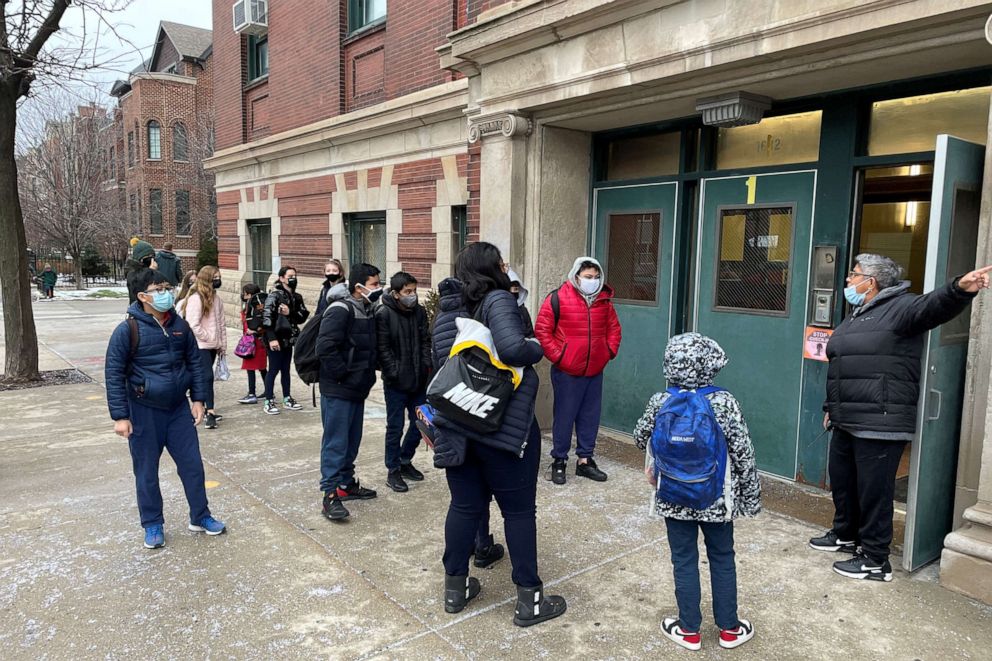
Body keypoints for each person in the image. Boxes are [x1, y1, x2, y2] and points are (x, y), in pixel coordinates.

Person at [811, 254, 992, 582]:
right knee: (844, 481)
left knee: (873, 491)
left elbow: (934, 306)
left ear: (872, 282)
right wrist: (829, 409)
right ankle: (845, 533)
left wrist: (959, 289)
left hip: (880, 420)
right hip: (846, 416)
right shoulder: (858, 314)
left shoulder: (902, 308)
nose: (848, 281)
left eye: (854, 275)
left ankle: (875, 559)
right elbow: (841, 368)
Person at [431, 242, 566, 627]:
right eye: (503, 262)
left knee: (464, 507)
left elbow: (440, 363)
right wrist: (537, 345)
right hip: (504, 430)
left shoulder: (447, 310)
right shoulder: (498, 301)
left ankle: (455, 590)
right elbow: (511, 348)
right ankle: (530, 600)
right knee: (519, 512)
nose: (507, 267)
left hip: (459, 425)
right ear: (492, 268)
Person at [633, 332, 760, 651]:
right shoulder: (723, 401)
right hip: (715, 497)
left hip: (672, 496)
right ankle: (730, 629)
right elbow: (743, 452)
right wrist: (750, 498)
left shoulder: (661, 400)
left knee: (684, 559)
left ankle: (688, 629)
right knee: (722, 557)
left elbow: (639, 438)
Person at [104, 269, 225, 549]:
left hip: (178, 410)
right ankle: (153, 524)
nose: (165, 292)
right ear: (142, 296)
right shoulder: (127, 330)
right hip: (143, 411)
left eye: (166, 287)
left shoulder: (179, 325)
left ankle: (200, 515)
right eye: (158, 288)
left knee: (192, 465)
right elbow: (113, 374)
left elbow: (196, 364)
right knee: (147, 471)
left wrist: (198, 400)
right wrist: (120, 416)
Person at [534, 256, 621, 485]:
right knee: (564, 416)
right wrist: (560, 356)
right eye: (587, 277)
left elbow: (614, 329)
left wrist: (608, 351)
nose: (592, 281)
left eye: (596, 277)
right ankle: (559, 460)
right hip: (567, 371)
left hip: (594, 370)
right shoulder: (558, 298)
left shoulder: (604, 301)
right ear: (576, 276)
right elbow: (543, 331)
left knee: (590, 416)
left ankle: (585, 460)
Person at [317, 263, 382, 521]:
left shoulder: (366, 309)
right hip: (339, 388)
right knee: (336, 442)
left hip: (356, 388)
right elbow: (325, 347)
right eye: (375, 284)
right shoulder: (340, 310)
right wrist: (344, 374)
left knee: (351, 440)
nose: (378, 288)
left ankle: (346, 484)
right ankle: (329, 494)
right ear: (359, 287)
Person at [375, 271, 432, 493]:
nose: (413, 295)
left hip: (419, 378)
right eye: (408, 292)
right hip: (396, 382)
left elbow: (426, 340)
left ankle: (405, 459)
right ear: (396, 293)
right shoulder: (384, 313)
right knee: (395, 426)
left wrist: (426, 364)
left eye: (414, 291)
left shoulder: (419, 312)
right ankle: (393, 469)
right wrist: (394, 372)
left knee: (422, 423)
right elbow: (382, 348)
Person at [260, 266, 310, 414]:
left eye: (294, 275)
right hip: (275, 338)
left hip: (289, 338)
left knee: (286, 369)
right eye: (289, 276)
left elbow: (301, 317)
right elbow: (267, 318)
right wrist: (271, 339)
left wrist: (290, 312)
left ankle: (287, 397)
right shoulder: (274, 296)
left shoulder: (297, 297)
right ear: (282, 278)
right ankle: (269, 400)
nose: (293, 278)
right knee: (274, 369)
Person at [183, 266, 228, 430]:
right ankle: (209, 410)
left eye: (219, 276)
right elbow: (192, 325)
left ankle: (204, 407)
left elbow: (221, 323)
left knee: (205, 378)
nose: (218, 280)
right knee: (206, 377)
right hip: (200, 345)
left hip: (213, 346)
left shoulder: (217, 299)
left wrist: (222, 344)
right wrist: (209, 337)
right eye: (215, 277)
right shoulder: (196, 299)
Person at [238, 283, 268, 405]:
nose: (243, 295)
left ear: (249, 295)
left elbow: (262, 323)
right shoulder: (253, 306)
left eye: (245, 293)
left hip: (254, 342)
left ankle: (252, 393)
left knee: (251, 367)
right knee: (261, 368)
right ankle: (268, 390)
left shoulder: (256, 308)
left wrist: (255, 330)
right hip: (254, 341)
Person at [506, 268, 534, 337]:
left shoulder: (523, 310)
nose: (515, 288)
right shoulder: (498, 308)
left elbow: (530, 334)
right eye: (512, 285)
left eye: (516, 285)